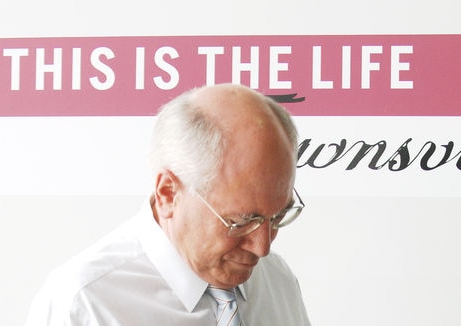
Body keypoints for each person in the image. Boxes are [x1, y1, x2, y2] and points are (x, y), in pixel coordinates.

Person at [25, 84, 311, 325]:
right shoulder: (83, 305)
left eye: (277, 217)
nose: (262, 247)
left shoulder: (278, 281)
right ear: (168, 194)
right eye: (242, 221)